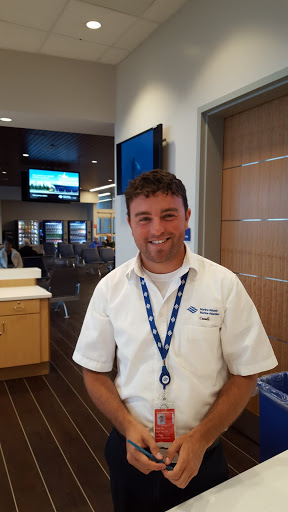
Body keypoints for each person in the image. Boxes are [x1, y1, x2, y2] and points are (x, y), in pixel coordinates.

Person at [73, 169, 277, 512]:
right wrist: (126, 426)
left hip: (202, 452)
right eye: (144, 218)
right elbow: (93, 371)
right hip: (130, 449)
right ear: (129, 222)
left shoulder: (222, 285)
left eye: (169, 215)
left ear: (187, 216)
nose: (157, 230)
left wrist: (201, 439)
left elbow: (246, 373)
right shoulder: (110, 289)